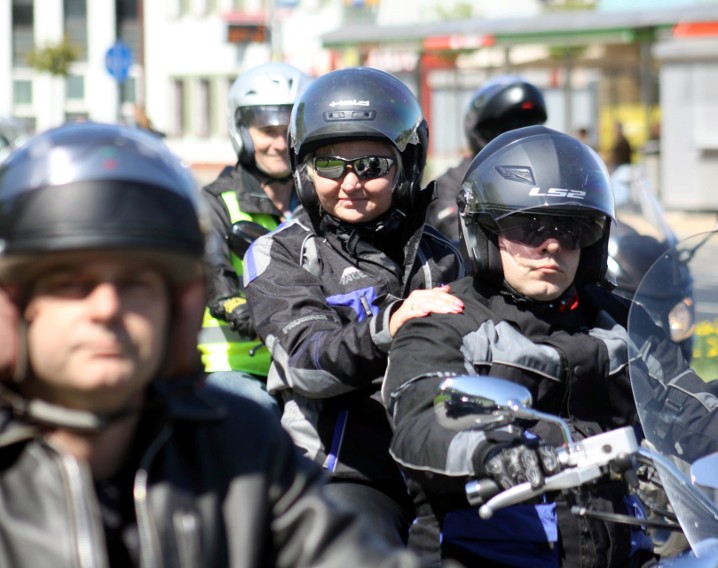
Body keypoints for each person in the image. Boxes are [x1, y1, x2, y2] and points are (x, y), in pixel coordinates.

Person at [382, 125, 718, 567]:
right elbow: (422, 420)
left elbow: (702, 412)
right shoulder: (446, 320)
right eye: (528, 226)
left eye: (570, 228)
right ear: (485, 229)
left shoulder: (619, 322)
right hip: (488, 554)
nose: (551, 243)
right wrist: (493, 452)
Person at [0, 122, 423, 567]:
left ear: (179, 306)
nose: (106, 308)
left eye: (136, 283)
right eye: (71, 284)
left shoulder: (237, 446)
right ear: (13, 306)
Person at [243, 66, 466, 547]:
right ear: (304, 169)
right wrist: (389, 324)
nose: (349, 182)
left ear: (406, 164)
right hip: (342, 472)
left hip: (449, 466)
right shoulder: (279, 252)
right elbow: (305, 362)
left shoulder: (447, 255)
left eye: (371, 166)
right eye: (329, 165)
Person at [199, 62, 312, 413]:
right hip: (237, 366)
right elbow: (214, 272)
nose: (280, 144)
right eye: (267, 131)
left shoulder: (320, 198)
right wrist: (242, 307)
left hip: (310, 362)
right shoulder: (215, 202)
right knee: (256, 411)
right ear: (242, 131)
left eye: (289, 130)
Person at [426, 76, 547, 242]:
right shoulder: (454, 184)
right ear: (483, 131)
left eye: (530, 128)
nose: (520, 140)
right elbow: (458, 234)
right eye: (509, 128)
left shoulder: (547, 182)